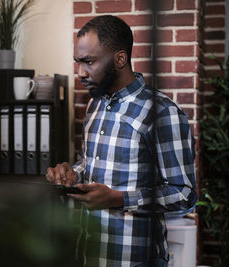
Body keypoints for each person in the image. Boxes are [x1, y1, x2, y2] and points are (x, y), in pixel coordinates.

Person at [46, 15, 197, 267]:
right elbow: (90, 163)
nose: (80, 73)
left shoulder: (162, 113)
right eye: (78, 62)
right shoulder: (95, 104)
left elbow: (184, 194)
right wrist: (71, 173)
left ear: (119, 59)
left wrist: (119, 199)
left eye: (89, 62)